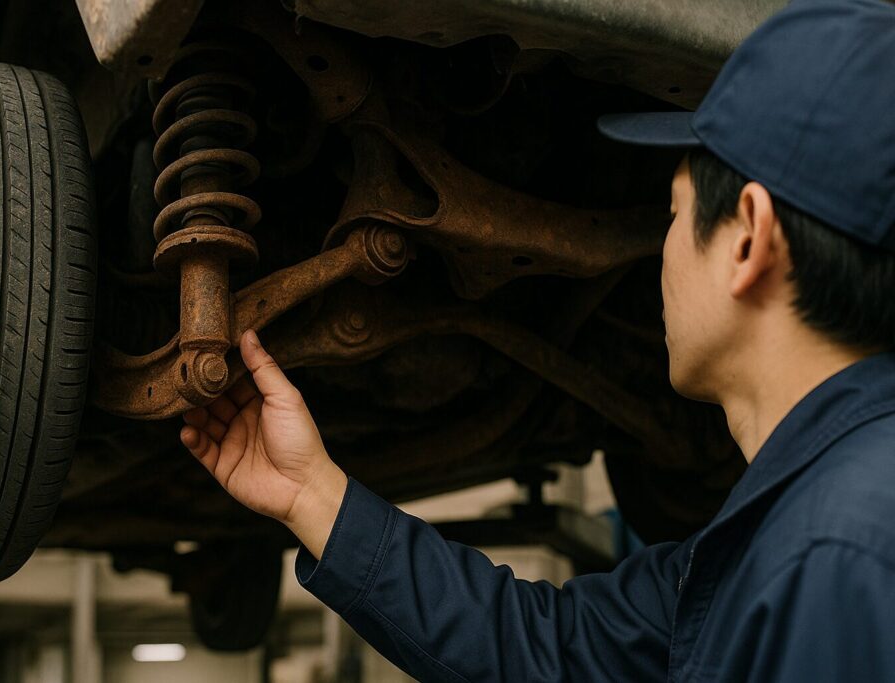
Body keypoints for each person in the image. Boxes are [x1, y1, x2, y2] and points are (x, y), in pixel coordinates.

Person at [179, 0, 895, 679]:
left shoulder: (842, 552)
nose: (661, 253)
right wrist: (312, 493)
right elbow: (555, 650)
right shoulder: (793, 533)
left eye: (672, 213)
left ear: (748, 239)